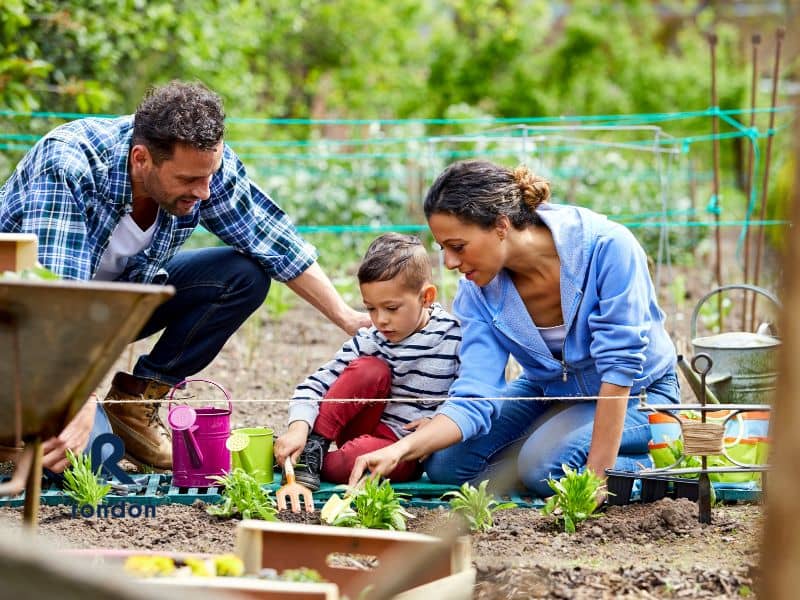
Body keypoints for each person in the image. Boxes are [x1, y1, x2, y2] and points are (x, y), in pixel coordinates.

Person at [0, 80, 368, 473]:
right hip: (21, 327)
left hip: (108, 309)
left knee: (243, 275)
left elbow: (273, 240)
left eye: (208, 176)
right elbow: (55, 299)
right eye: (190, 181)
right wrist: (80, 401)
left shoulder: (201, 164)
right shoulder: (70, 165)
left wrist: (346, 317)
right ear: (142, 160)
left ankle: (132, 409)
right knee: (89, 457)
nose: (206, 192)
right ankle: (12, 426)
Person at [349, 160, 679, 498]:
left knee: (546, 469)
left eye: (457, 246)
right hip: (549, 391)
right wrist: (403, 448)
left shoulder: (606, 248)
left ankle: (667, 460)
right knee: (446, 464)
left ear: (501, 226)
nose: (448, 262)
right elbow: (476, 389)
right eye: (442, 248)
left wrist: (596, 479)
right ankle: (548, 446)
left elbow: (619, 369)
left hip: (640, 394)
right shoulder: (477, 291)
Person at [274, 233, 461, 491]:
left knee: (353, 461)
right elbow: (315, 385)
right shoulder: (371, 338)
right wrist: (298, 428)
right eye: (371, 308)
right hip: (362, 424)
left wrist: (439, 421)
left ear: (426, 297)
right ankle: (310, 449)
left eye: (391, 308)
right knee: (369, 369)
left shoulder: (453, 337)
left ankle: (298, 461)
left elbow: (468, 397)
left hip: (403, 448)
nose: (380, 320)